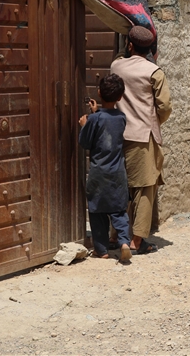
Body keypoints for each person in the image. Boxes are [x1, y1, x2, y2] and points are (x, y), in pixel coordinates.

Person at [111, 26, 172, 255]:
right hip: (143, 137)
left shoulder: (116, 66)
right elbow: (165, 107)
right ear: (150, 50)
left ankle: (115, 234)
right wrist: (154, 121)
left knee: (120, 187)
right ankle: (137, 240)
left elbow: (120, 57)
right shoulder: (154, 72)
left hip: (118, 135)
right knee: (145, 188)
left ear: (129, 45)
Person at [78, 74, 132, 262]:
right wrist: (96, 113)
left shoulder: (94, 119)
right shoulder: (122, 118)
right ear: (120, 97)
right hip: (118, 173)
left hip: (98, 173)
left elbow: (85, 142)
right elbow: (108, 122)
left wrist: (85, 125)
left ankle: (101, 250)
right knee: (119, 210)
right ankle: (124, 242)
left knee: (97, 211)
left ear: (99, 93)